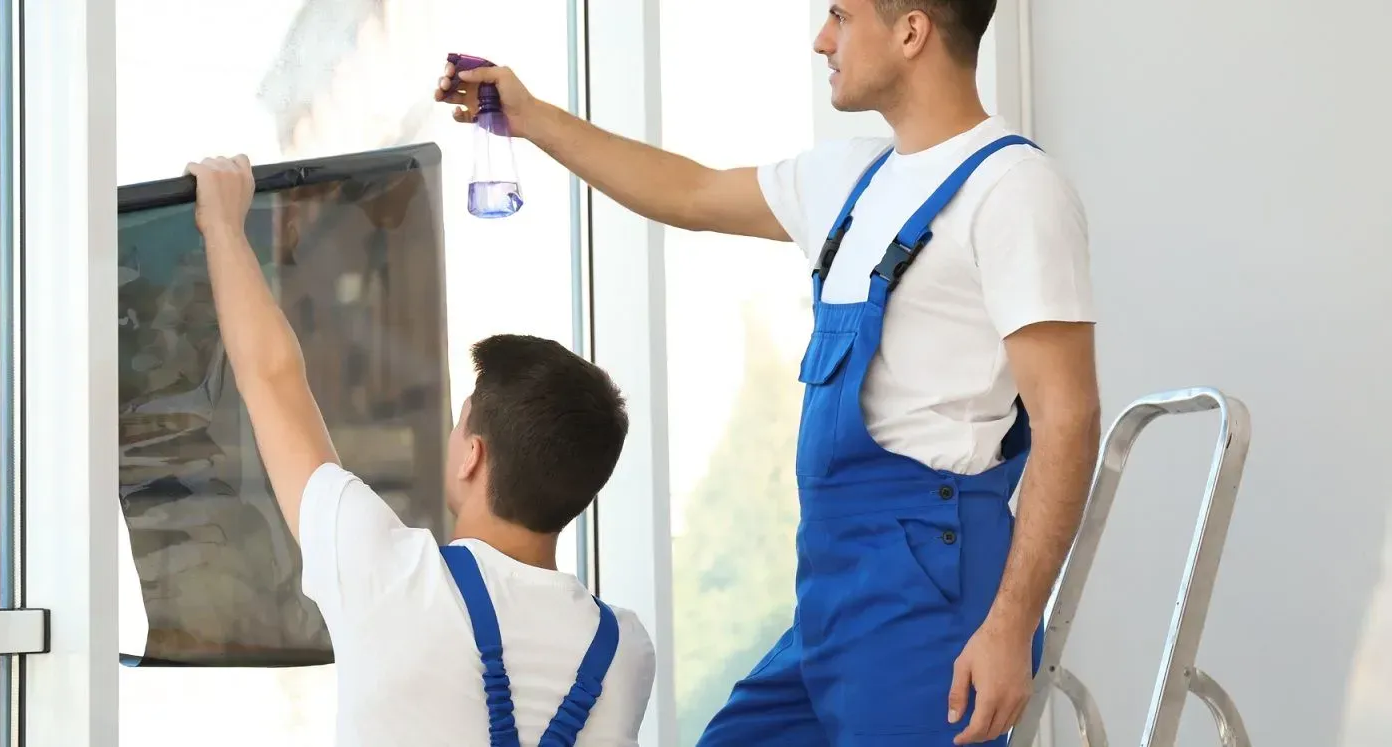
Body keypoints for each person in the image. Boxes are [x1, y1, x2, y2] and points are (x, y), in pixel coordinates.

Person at [435, 0, 1101, 745]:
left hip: (930, 593)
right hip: (832, 588)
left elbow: (1067, 419)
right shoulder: (850, 182)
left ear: (911, 32)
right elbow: (687, 193)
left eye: (840, 18)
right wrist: (530, 117)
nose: (823, 40)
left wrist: (1009, 627)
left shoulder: (1012, 189)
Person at [184, 154, 657, 746]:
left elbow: (274, 379)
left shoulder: (390, 577)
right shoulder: (625, 651)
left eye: (460, 425)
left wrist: (223, 227)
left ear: (473, 456)